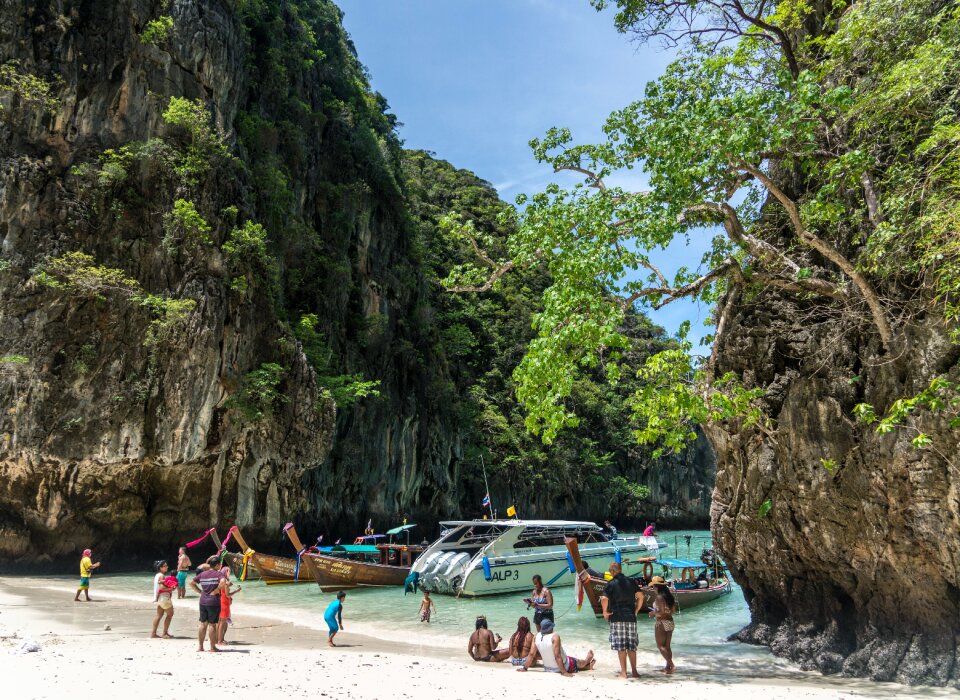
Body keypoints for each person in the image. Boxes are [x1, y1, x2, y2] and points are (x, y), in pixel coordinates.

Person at [600, 561, 642, 679]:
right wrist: (636, 610)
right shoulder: (631, 581)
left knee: (621, 647)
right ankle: (634, 672)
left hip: (617, 617)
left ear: (613, 571)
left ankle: (624, 672)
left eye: (610, 571)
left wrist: (605, 612)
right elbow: (641, 596)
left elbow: (604, 598)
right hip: (631, 618)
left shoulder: (611, 583)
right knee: (631, 647)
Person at [520, 619, 595, 675]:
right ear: (551, 628)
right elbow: (557, 656)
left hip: (547, 668)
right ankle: (586, 661)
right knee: (577, 661)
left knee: (569, 659)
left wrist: (525, 668)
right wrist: (564, 672)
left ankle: (588, 666)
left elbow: (531, 654)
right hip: (560, 667)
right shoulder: (555, 637)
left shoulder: (536, 636)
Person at [190, 555, 226, 652]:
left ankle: (200, 647)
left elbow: (191, 583)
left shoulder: (202, 574)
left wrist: (200, 592)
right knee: (212, 624)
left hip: (203, 601)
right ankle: (212, 647)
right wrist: (216, 590)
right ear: (217, 565)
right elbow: (223, 582)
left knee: (202, 624)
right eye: (220, 565)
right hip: (213, 602)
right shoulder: (218, 574)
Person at [648, 575, 677, 674]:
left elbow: (660, 612)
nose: (653, 589)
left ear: (657, 587)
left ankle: (672, 665)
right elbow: (673, 610)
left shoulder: (659, 597)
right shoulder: (669, 597)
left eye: (653, 587)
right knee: (667, 646)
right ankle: (667, 667)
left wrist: (653, 613)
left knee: (660, 646)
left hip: (661, 622)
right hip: (670, 622)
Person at [151, 560, 175, 639]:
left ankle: (153, 633)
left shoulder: (157, 575)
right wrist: (171, 588)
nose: (167, 567)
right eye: (165, 566)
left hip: (159, 599)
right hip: (164, 598)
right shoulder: (162, 576)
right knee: (170, 614)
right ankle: (164, 633)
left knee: (158, 616)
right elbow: (162, 588)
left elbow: (159, 588)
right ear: (160, 568)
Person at [218, 566, 240, 645]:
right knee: (223, 622)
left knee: (221, 622)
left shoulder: (221, 581)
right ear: (225, 572)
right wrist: (236, 591)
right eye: (228, 572)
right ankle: (220, 640)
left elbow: (222, 590)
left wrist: (229, 586)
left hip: (221, 601)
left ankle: (220, 639)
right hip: (224, 602)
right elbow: (227, 595)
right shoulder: (225, 582)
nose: (229, 573)